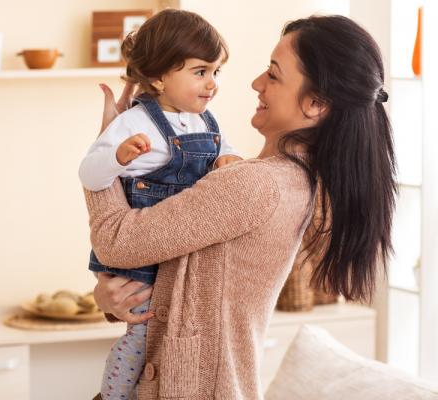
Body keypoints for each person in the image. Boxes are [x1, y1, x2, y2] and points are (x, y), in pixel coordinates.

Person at [86, 15, 397, 400]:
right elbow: (180, 280)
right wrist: (113, 299)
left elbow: (117, 242)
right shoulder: (286, 180)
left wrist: (105, 155)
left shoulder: (255, 185)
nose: (256, 84)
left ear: (315, 104)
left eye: (273, 74)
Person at [79, 9, 240, 399]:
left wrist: (228, 160)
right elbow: (90, 174)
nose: (212, 84)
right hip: (141, 258)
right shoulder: (134, 123)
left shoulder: (204, 122)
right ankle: (113, 394)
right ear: (157, 77)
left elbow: (223, 150)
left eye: (216, 72)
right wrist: (117, 156)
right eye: (200, 72)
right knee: (141, 336)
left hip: (177, 252)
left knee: (163, 341)